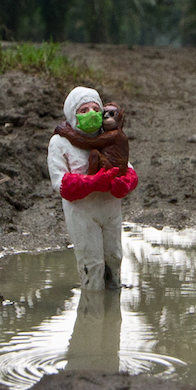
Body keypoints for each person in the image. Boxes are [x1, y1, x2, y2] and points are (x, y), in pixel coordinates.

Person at [48, 86, 138, 290]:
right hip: (82, 213)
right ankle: (92, 311)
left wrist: (126, 181)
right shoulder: (60, 143)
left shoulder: (110, 135)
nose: (91, 114)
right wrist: (92, 182)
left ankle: (112, 314)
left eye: (95, 109)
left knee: (114, 259)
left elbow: (127, 166)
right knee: (92, 265)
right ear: (73, 114)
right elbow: (59, 183)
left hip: (110, 209)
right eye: (83, 110)